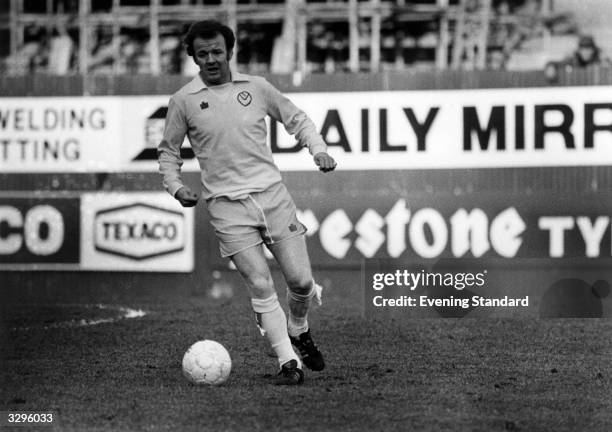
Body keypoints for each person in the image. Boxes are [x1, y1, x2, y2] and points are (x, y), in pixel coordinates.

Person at [157, 20, 337, 385]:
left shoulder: (257, 88)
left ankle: (298, 327)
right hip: (226, 207)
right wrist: (176, 187)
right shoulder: (183, 101)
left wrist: (318, 149)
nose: (211, 59)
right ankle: (288, 361)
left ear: (230, 51)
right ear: (193, 57)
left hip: (272, 198)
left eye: (217, 52)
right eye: (203, 53)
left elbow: (297, 120)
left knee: (301, 282)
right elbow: (167, 153)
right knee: (260, 283)